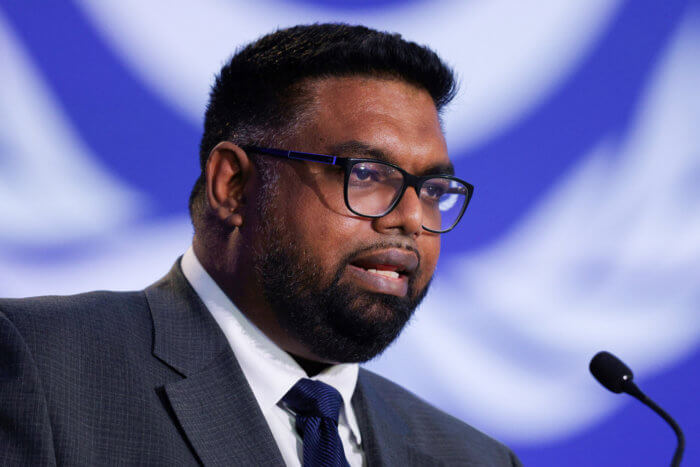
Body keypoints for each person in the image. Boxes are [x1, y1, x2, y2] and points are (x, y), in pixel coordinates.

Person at [0, 23, 521, 466]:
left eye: (432, 190)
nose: (411, 218)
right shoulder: (40, 367)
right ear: (232, 186)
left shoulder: (472, 457)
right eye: (366, 173)